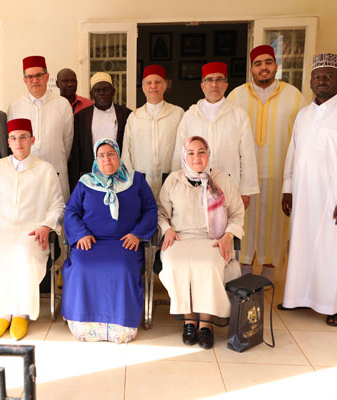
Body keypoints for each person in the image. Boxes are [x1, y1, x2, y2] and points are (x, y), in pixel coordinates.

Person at [279, 53, 337, 327]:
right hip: (304, 194)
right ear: (310, 81)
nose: (322, 81)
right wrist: (288, 188)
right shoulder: (303, 115)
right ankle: (297, 297)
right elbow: (293, 153)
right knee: (302, 245)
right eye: (317, 76)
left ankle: (335, 305)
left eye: (328, 76)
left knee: (334, 249)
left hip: (334, 197)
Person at [0, 118, 65, 341]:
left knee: (22, 253)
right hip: (1, 229)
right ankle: (3, 313)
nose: (18, 142)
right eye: (13, 138)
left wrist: (45, 226)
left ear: (32, 140)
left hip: (31, 231)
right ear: (8, 142)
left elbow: (57, 205)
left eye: (23, 137)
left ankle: (21, 312)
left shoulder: (45, 170)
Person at [62, 138, 157, 343]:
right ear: (96, 159)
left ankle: (121, 325)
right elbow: (71, 211)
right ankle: (84, 325)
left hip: (125, 243)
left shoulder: (136, 180)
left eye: (111, 154)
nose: (107, 159)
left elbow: (150, 210)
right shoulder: (85, 182)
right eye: (102, 155)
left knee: (122, 268)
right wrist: (80, 234)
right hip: (91, 242)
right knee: (80, 266)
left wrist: (137, 234)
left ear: (118, 155)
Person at [228, 45, 309, 280]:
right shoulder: (236, 95)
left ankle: (266, 283)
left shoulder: (294, 96)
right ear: (251, 68)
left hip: (279, 174)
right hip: (244, 177)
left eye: (268, 62)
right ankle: (242, 280)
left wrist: (295, 180)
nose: (263, 67)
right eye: (258, 63)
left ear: (275, 66)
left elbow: (303, 137)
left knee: (274, 229)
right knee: (244, 226)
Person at [158, 136, 244, 349]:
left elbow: (237, 214)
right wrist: (166, 229)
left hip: (213, 238)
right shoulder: (173, 180)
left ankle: (206, 324)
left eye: (201, 152)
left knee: (209, 265)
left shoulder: (222, 180)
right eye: (191, 153)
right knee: (174, 264)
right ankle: (189, 321)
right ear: (184, 156)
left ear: (208, 154)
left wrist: (228, 236)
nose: (197, 157)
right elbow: (160, 212)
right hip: (179, 237)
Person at [172, 62, 259, 210]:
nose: (214, 84)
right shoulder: (190, 115)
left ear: (225, 85)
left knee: (228, 230)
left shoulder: (238, 115)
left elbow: (247, 155)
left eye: (219, 79)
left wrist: (246, 192)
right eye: (209, 80)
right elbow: (178, 155)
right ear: (202, 85)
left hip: (230, 187)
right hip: (195, 188)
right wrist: (176, 187)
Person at [7, 56, 74, 199]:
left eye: (39, 75)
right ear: (25, 80)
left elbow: (67, 141)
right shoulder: (15, 105)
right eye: (30, 77)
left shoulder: (62, 104)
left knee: (57, 214)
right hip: (26, 174)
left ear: (47, 76)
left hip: (56, 169)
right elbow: (13, 140)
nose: (35, 80)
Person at [121, 64, 184, 198]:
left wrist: (176, 177)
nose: (153, 86)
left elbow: (182, 149)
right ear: (143, 87)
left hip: (170, 179)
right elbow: (126, 154)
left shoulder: (177, 114)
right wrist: (132, 182)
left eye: (158, 82)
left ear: (165, 85)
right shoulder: (135, 117)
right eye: (149, 83)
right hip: (141, 180)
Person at [68, 72, 132, 191]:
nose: (101, 93)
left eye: (105, 89)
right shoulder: (81, 117)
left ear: (113, 91)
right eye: (97, 90)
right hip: (89, 175)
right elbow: (76, 152)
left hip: (119, 175)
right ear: (92, 94)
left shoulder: (126, 114)